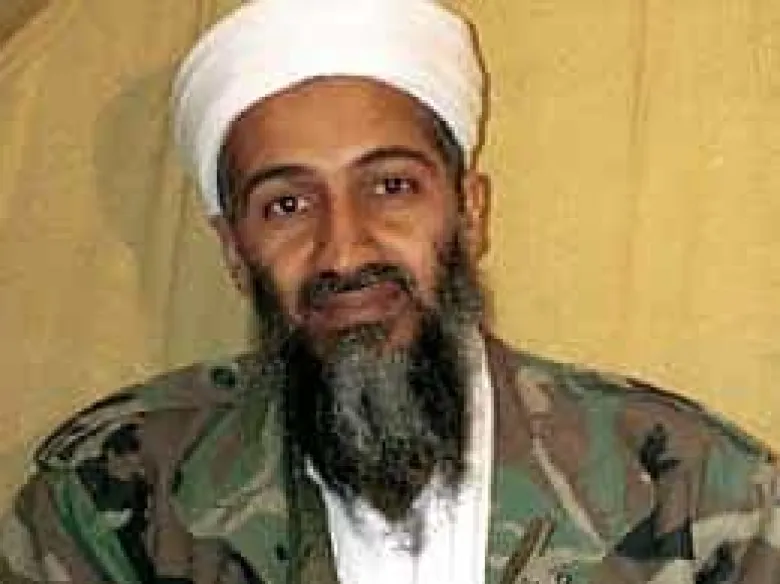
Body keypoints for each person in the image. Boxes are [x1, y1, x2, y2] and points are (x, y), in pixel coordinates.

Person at [1, 0, 778, 582]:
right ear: (234, 251)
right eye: (287, 204)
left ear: (470, 211)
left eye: (392, 186)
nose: (344, 249)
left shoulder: (699, 496)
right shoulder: (112, 506)